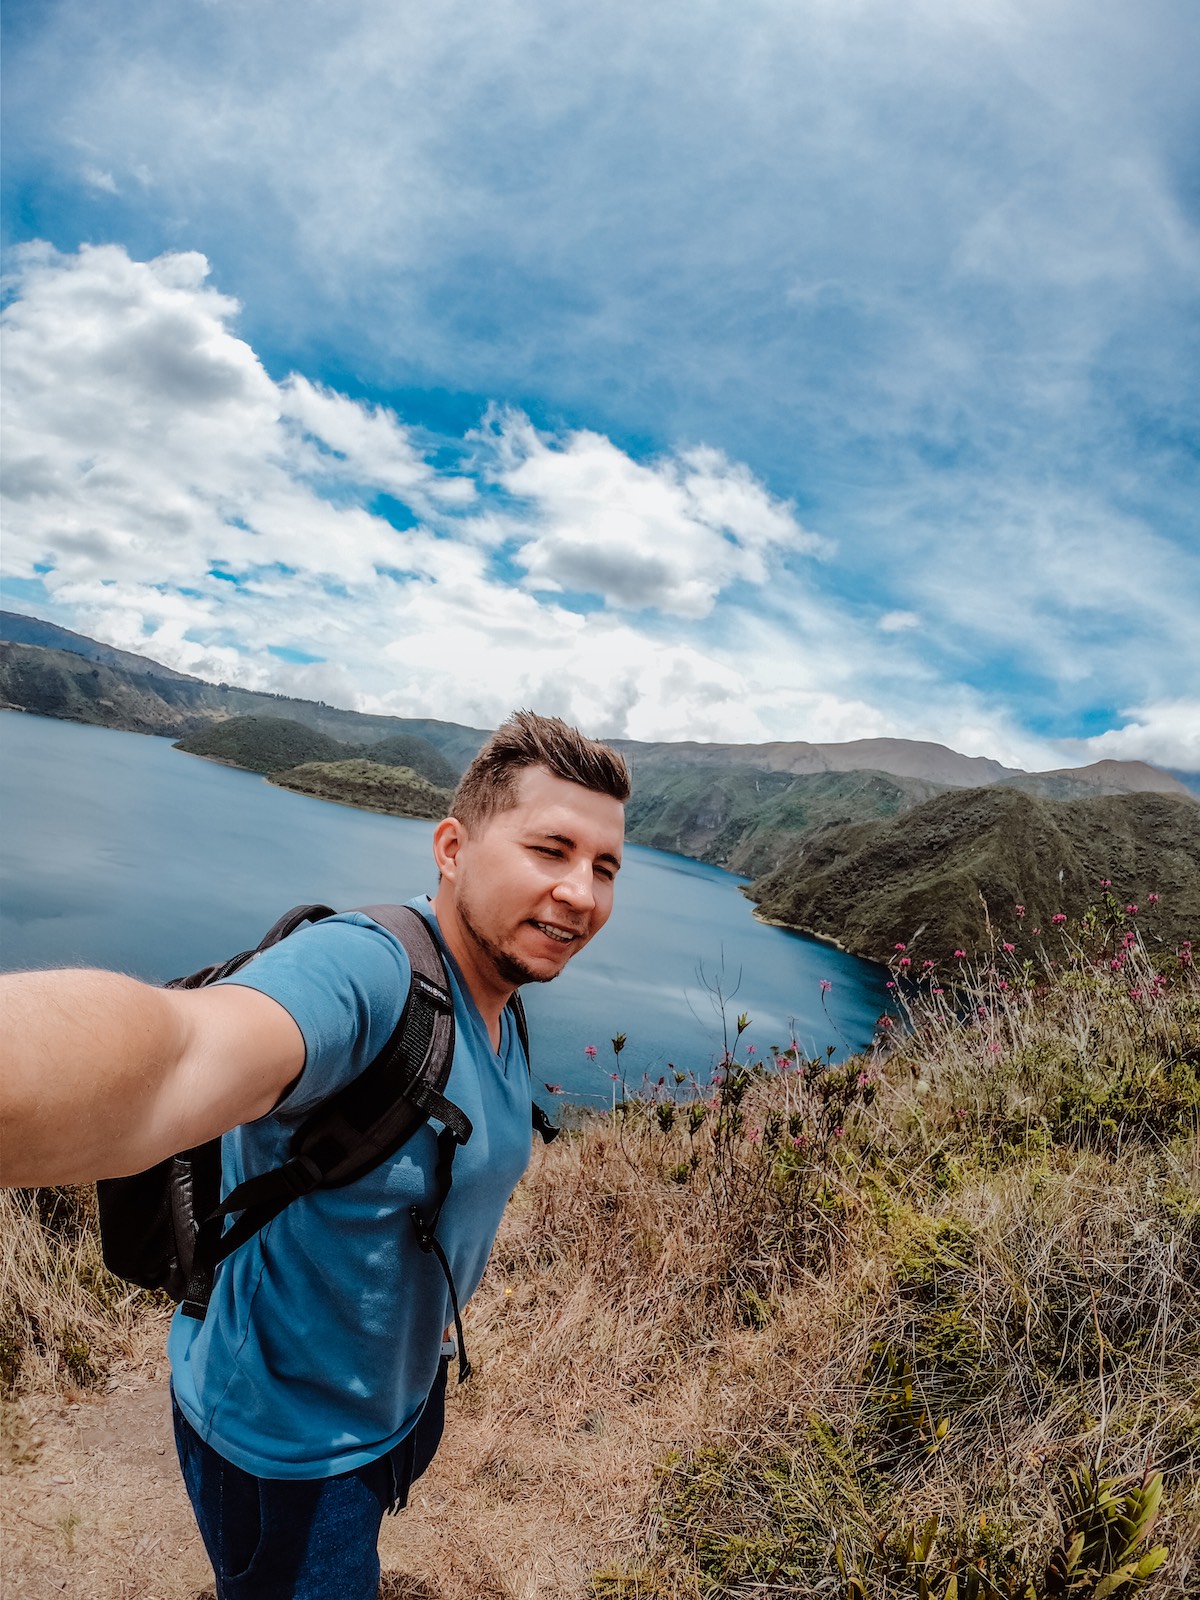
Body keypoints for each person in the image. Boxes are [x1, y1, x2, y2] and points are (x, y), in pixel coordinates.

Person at [1, 709, 631, 1599]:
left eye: (605, 867)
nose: (582, 893)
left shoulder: (504, 995)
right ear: (452, 848)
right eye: (551, 849)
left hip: (391, 1406)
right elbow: (176, 1054)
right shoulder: (366, 973)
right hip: (286, 1446)